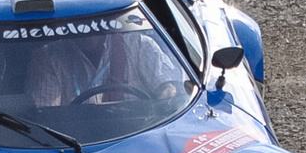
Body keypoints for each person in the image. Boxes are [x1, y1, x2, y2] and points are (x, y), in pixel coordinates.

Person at [27, 27, 187, 108]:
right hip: (75, 144)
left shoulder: (138, 45)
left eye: (91, 23)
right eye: (80, 25)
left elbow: (170, 86)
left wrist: (166, 97)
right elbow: (46, 113)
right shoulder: (49, 57)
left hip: (138, 133)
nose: (86, 31)